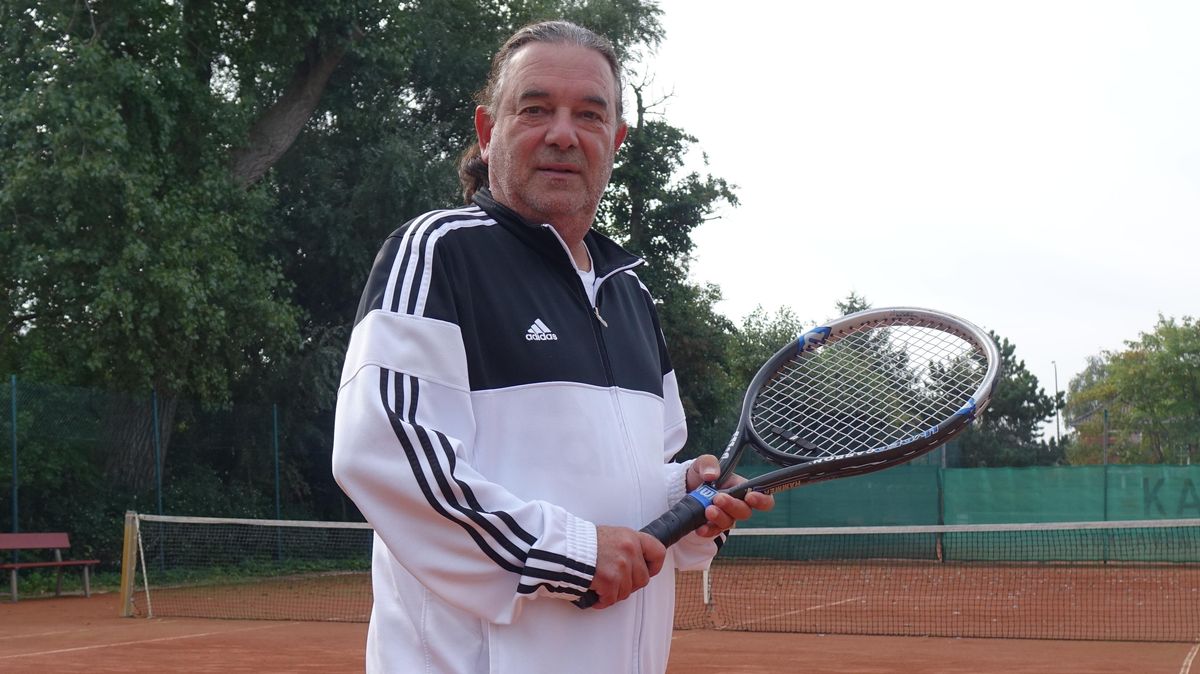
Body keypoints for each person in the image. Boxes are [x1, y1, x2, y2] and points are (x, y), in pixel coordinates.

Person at [332, 20, 773, 674]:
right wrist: (565, 552)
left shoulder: (633, 300)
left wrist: (689, 498)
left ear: (614, 142)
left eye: (589, 115)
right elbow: (386, 453)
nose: (563, 133)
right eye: (535, 109)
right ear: (488, 132)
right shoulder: (438, 253)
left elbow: (634, 482)